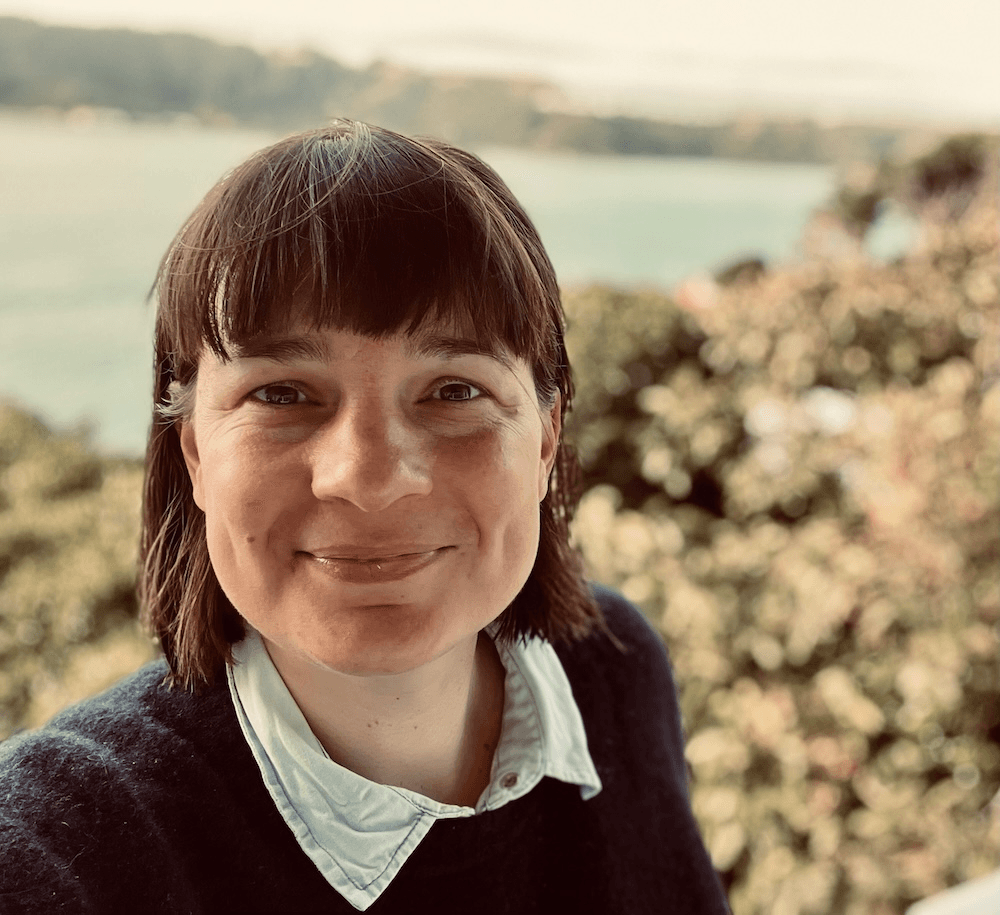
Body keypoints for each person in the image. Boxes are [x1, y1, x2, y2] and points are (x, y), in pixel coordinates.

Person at [0, 121, 728, 913]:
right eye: (281, 393)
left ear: (547, 437)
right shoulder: (63, 848)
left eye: (454, 390)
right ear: (195, 454)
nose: (369, 480)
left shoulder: (612, 671)